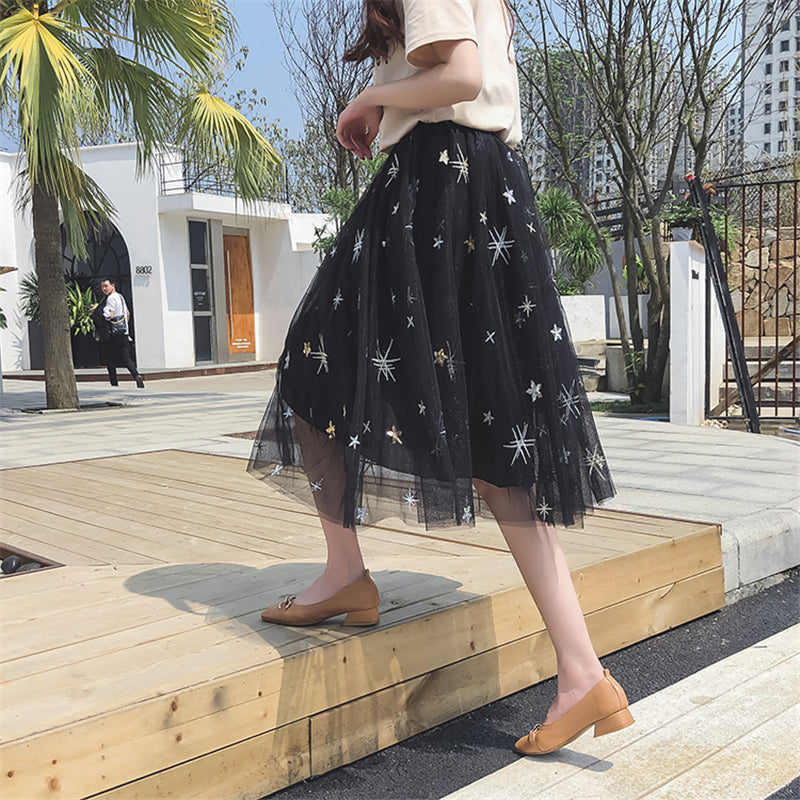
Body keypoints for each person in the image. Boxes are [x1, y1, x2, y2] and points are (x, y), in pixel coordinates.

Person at [249, 0, 633, 755]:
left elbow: (461, 75)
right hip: (473, 188)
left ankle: (350, 573)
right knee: (494, 437)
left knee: (312, 360)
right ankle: (580, 670)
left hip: (439, 186)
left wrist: (371, 96)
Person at [91, 278, 145, 389]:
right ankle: (136, 376)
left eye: (106, 286)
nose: (104, 289)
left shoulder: (111, 299)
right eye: (102, 286)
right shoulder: (120, 297)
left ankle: (114, 384)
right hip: (124, 333)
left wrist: (99, 310)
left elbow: (109, 315)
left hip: (114, 335)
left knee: (110, 360)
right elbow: (127, 313)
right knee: (126, 358)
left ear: (113, 285)